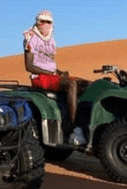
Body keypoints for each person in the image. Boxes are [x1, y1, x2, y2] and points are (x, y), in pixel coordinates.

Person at [23, 10, 87, 145]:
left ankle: (82, 121)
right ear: (37, 22)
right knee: (71, 85)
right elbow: (29, 66)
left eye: (48, 22)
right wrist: (50, 73)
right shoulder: (30, 38)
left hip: (51, 75)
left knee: (83, 83)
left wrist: (59, 72)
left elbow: (50, 63)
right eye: (42, 21)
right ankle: (74, 127)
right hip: (39, 77)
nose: (45, 24)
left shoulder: (51, 40)